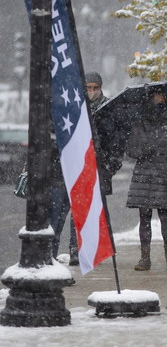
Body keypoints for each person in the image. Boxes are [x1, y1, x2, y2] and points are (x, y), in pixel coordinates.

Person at [50, 71, 109, 266]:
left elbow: (108, 144)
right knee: (56, 216)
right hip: (61, 172)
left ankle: (77, 251)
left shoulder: (105, 109)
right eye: (88, 88)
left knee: (81, 216)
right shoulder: (65, 108)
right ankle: (50, 252)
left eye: (95, 88)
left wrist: (106, 166)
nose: (91, 92)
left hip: (85, 172)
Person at [126, 89, 167, 271]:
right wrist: (143, 151)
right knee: (144, 217)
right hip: (143, 175)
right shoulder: (139, 123)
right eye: (156, 95)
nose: (159, 98)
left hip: (162, 173)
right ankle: (145, 258)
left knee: (165, 217)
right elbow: (130, 150)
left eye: (162, 95)